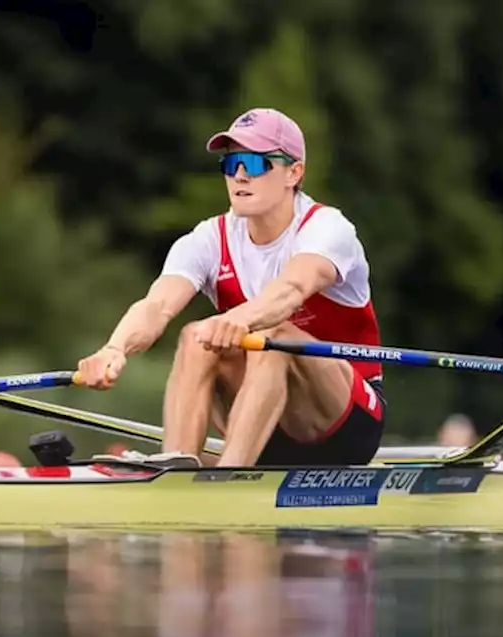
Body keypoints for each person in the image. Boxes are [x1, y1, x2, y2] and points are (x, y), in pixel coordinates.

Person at [77, 108, 384, 468]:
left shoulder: (328, 229)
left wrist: (238, 320)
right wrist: (115, 349)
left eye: (255, 163)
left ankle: (230, 475)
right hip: (265, 429)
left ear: (294, 172)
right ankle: (175, 467)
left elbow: (291, 289)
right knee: (195, 338)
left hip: (348, 423)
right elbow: (157, 305)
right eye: (231, 163)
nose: (239, 175)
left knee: (272, 333)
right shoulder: (208, 239)